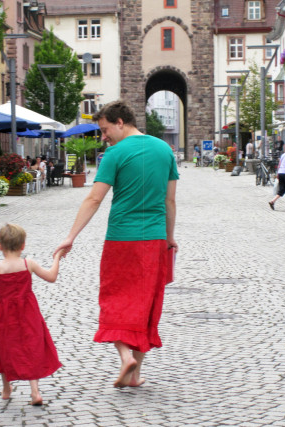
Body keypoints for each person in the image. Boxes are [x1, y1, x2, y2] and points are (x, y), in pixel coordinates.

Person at [53, 100, 179, 388]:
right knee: (145, 303)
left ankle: (125, 358)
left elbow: (94, 199)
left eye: (105, 129)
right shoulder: (165, 150)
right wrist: (169, 238)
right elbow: (169, 200)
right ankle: (134, 376)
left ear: (120, 122)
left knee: (115, 298)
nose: (103, 137)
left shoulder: (114, 154)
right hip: (155, 238)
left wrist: (71, 236)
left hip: (122, 239)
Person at [0, 223, 67, 406]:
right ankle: (35, 391)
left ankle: (6, 389)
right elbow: (51, 277)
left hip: (3, 316)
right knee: (31, 346)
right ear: (23, 245)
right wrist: (57, 258)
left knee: (4, 347)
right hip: (28, 312)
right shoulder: (28, 263)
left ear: (0, 246)